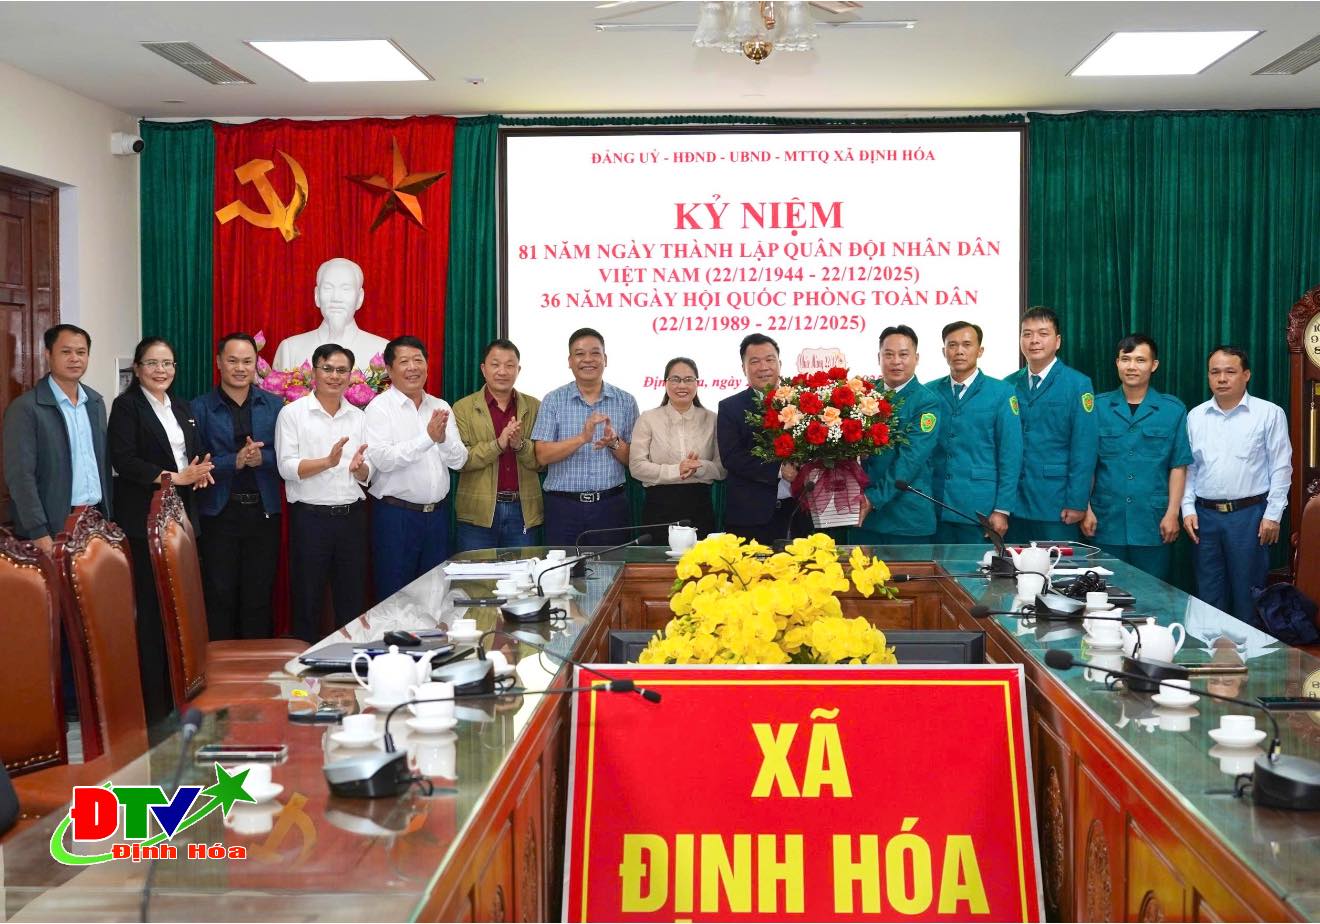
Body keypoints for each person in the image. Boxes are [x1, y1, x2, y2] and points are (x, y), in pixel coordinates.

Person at [107, 336, 214, 725]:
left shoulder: (181, 406)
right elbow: (124, 461)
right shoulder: (126, 407)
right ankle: (155, 706)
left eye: (167, 363)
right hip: (144, 521)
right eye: (152, 363)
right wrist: (174, 477)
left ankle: (182, 690)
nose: (161, 370)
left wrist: (199, 473)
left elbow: (192, 454)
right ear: (137, 369)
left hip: (180, 517)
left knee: (182, 606)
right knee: (153, 611)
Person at [1181, 346, 1291, 623]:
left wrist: (1273, 515)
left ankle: (1251, 649)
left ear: (1246, 374)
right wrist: (1187, 509)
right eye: (1215, 372)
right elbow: (1189, 469)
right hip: (1205, 517)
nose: (1222, 379)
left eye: (1230, 372)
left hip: (1249, 517)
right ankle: (1209, 648)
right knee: (1208, 593)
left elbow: (1281, 467)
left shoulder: (1269, 413)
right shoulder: (1195, 416)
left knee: (1248, 595)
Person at [193, 332, 286, 641]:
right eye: (232, 361)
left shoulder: (274, 406)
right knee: (219, 593)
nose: (240, 368)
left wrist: (262, 458)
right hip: (219, 513)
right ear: (219, 363)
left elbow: (290, 457)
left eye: (247, 361)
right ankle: (220, 663)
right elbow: (194, 462)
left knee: (259, 594)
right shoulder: (199, 408)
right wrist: (234, 461)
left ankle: (257, 663)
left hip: (263, 513)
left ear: (256, 364)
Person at [276, 343, 372, 641]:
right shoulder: (292, 414)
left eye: (342, 370)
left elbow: (370, 473)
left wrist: (360, 470)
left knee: (352, 600)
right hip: (310, 520)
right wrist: (327, 462)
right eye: (327, 369)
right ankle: (303, 663)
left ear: (350, 376)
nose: (335, 376)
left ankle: (349, 661)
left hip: (352, 520)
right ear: (314, 372)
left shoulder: (360, 417)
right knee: (307, 600)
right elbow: (286, 467)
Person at [1081, 334, 1191, 582]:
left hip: (1152, 522)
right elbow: (1086, 465)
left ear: (1154, 365)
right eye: (1126, 359)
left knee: (1153, 594)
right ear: (1117, 363)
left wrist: (1172, 513)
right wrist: (1085, 509)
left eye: (1140, 360)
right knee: (1103, 593)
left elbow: (1178, 466)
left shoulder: (1172, 410)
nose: (1132, 366)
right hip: (1106, 521)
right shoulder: (1097, 407)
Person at [365, 335, 468, 598]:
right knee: (395, 596)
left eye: (418, 360)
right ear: (389, 370)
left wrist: (442, 440)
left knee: (435, 596)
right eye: (404, 362)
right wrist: (427, 439)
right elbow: (384, 459)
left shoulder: (440, 406)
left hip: (437, 518)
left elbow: (459, 460)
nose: (413, 367)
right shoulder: (379, 408)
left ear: (427, 365)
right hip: (396, 517)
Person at [3, 324, 113, 549]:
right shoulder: (26, 408)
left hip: (95, 520)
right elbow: (20, 476)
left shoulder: (95, 403)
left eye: (81, 352)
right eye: (66, 352)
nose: (75, 359)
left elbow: (102, 465)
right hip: (52, 526)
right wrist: (38, 531)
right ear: (48, 355)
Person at [531, 328, 638, 547]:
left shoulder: (626, 401)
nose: (588, 359)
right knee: (563, 568)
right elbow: (542, 455)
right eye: (580, 354)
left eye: (595, 353)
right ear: (570, 361)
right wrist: (582, 438)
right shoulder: (553, 400)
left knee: (612, 566)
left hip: (610, 507)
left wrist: (614, 443)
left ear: (605, 359)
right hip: (563, 507)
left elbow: (633, 461)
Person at [1005, 307, 1098, 542]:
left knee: (1057, 566)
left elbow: (1084, 447)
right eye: (1027, 334)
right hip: (1014, 503)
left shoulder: (1077, 384)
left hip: (1056, 503)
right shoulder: (1008, 385)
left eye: (1042, 333)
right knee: (1012, 564)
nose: (1034, 340)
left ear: (1057, 341)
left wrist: (1077, 501)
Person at [928, 321, 1022, 544]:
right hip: (934, 505)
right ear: (943, 351)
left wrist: (1002, 509)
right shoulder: (929, 391)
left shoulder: (1002, 392)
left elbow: (1011, 454)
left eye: (967, 344)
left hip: (979, 509)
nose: (959, 351)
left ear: (980, 351)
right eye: (952, 345)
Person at [717, 333, 811, 545]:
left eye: (769, 359)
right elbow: (732, 457)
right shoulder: (730, 407)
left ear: (780, 363)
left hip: (798, 512)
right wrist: (779, 470)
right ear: (744, 368)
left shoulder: (803, 402)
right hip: (751, 517)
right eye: (754, 361)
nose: (763, 367)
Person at [453, 338, 544, 551]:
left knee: (523, 571)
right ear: (483, 369)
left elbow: (542, 462)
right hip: (477, 513)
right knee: (475, 572)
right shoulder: (462, 408)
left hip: (523, 511)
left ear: (518, 370)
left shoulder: (535, 407)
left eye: (510, 365)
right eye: (495, 364)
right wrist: (498, 445)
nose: (502, 371)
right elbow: (460, 461)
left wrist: (519, 445)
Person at [853, 325, 942, 545]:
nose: (896, 361)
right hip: (862, 518)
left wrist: (872, 499)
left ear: (916, 358)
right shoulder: (862, 394)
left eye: (903, 354)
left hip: (906, 520)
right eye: (889, 354)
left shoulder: (926, 402)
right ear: (879, 357)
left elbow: (910, 461)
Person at [630, 357, 724, 536]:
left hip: (700, 507)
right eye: (675, 379)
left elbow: (723, 468)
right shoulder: (648, 418)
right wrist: (677, 469)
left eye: (688, 379)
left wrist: (700, 467)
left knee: (701, 554)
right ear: (665, 383)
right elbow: (636, 467)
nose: (682, 385)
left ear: (697, 383)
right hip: (658, 508)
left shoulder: (713, 419)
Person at [272, 257, 389, 372]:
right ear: (317, 296)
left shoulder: (382, 350)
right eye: (328, 288)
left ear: (359, 298)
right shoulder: (290, 350)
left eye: (346, 289)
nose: (336, 298)